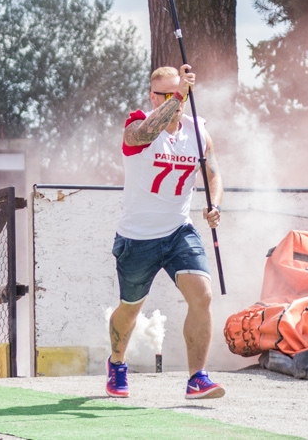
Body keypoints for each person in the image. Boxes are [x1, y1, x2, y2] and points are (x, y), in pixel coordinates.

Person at [106, 64, 225, 401]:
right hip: (136, 237)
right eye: (165, 93)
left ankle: (197, 378)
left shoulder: (198, 131)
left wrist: (213, 204)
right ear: (152, 95)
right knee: (130, 308)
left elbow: (213, 173)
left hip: (178, 231)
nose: (176, 99)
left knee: (202, 296)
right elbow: (144, 134)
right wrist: (177, 96)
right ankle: (116, 362)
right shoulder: (137, 125)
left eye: (179, 92)